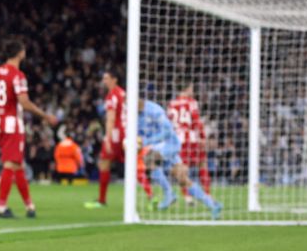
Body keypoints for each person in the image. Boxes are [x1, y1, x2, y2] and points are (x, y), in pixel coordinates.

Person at [0, 39, 59, 218]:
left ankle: (29, 206)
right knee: (10, 164)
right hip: (13, 125)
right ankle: (1, 207)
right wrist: (45, 116)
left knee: (18, 165)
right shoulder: (17, 75)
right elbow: (24, 102)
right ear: (20, 53)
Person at [138, 98, 221, 219]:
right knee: (182, 179)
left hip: (170, 144)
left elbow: (168, 132)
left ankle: (169, 193)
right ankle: (213, 205)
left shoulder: (154, 110)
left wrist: (147, 141)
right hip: (159, 147)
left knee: (149, 159)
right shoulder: (134, 115)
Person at [85, 71, 153, 208]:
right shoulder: (123, 93)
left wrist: (108, 138)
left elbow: (110, 118)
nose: (104, 81)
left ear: (114, 79)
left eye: (107, 78)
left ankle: (102, 200)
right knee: (133, 165)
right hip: (128, 133)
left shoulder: (112, 96)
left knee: (104, 163)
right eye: (103, 78)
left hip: (116, 135)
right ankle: (151, 196)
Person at [168, 81, 211, 205]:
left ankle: (187, 197)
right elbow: (196, 120)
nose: (193, 91)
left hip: (177, 140)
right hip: (191, 139)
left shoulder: (172, 104)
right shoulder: (192, 102)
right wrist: (202, 137)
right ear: (187, 88)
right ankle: (207, 194)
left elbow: (169, 123)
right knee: (203, 165)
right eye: (192, 88)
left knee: (182, 169)